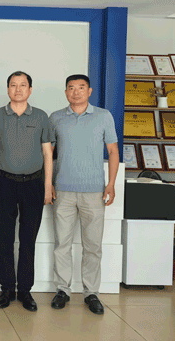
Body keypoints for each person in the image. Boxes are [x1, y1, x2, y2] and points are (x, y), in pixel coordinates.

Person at [49, 74, 119, 315]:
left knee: (93, 246)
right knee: (62, 244)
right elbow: (49, 154)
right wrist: (49, 184)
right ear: (65, 92)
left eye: (81, 87)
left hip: (94, 192)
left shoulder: (103, 116)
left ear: (89, 91)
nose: (76, 92)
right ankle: (62, 289)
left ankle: (91, 293)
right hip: (63, 190)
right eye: (71, 88)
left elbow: (113, 151)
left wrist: (111, 184)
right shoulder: (56, 118)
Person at [0, 71, 53, 312]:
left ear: (30, 90)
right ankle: (6, 288)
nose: (18, 89)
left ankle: (25, 290)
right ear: (7, 89)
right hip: (3, 182)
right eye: (13, 85)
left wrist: (48, 186)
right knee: (4, 239)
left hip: (33, 184)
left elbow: (47, 153)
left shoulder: (41, 116)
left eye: (23, 85)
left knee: (28, 240)